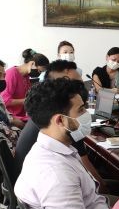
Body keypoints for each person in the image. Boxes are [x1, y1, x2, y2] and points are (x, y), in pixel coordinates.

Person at [15, 78, 110, 209]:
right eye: (82, 110)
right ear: (60, 120)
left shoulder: (53, 147)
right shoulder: (54, 173)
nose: (88, 115)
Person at [14, 60, 106, 189]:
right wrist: (103, 187)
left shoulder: (45, 113)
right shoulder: (65, 129)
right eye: (76, 84)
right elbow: (90, 174)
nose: (79, 89)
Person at [0, 49, 49, 122]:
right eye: (39, 71)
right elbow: (5, 101)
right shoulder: (12, 74)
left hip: (24, 116)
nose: (39, 73)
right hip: (13, 118)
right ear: (32, 63)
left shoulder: (26, 77)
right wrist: (27, 100)